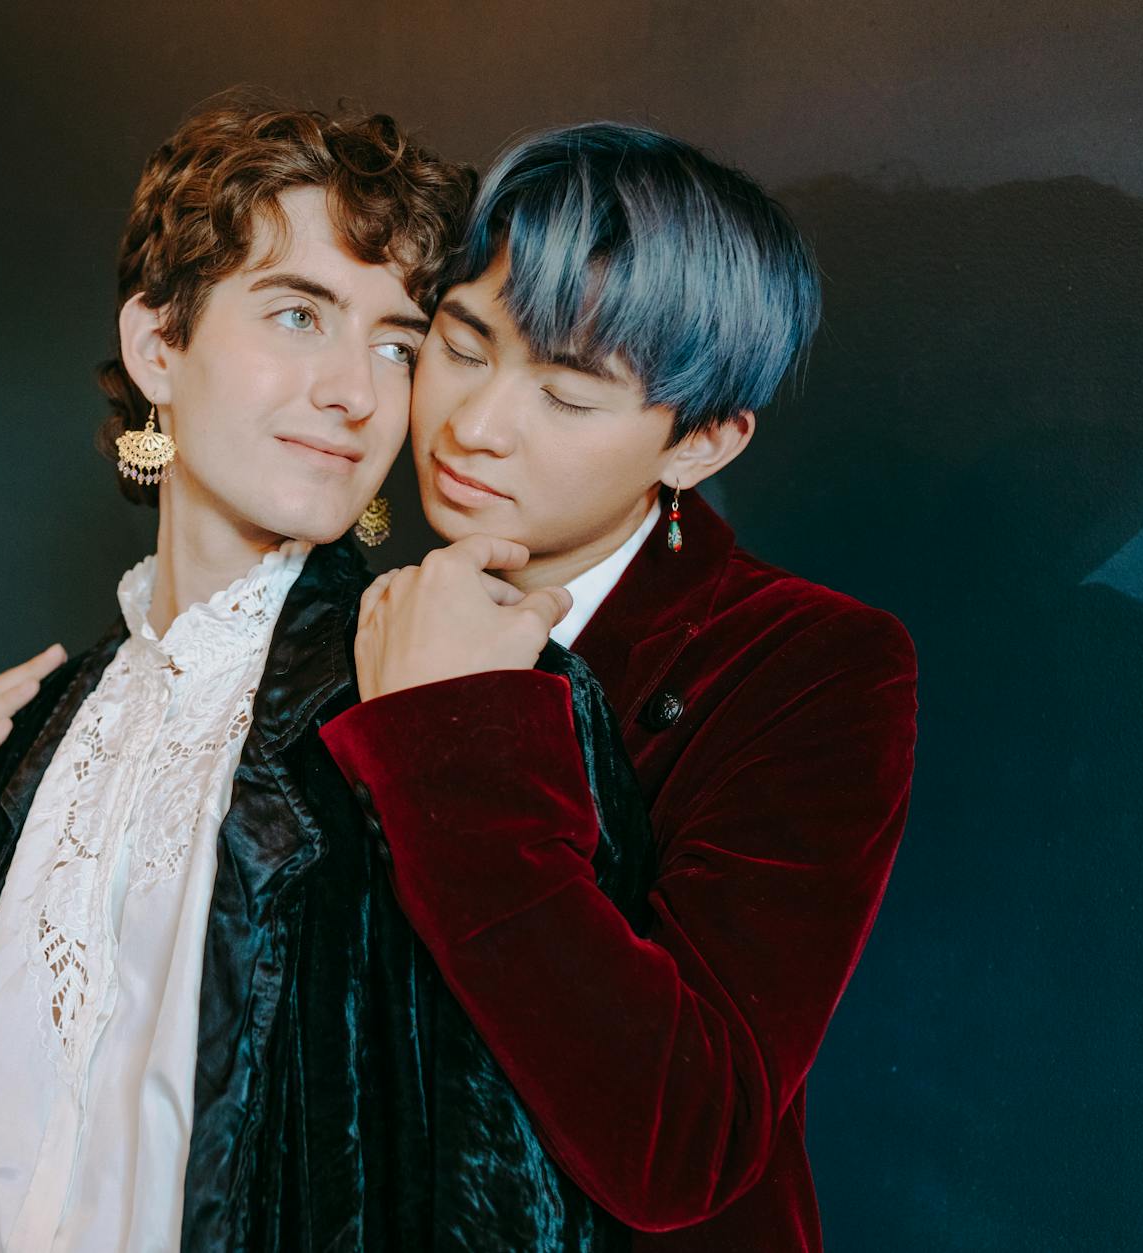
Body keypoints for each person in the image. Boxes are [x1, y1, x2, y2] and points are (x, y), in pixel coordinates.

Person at [0, 97, 519, 1251]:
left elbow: (484, 1191)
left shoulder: (423, 706)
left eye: (395, 341)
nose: (357, 392)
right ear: (160, 345)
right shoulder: (40, 734)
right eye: (298, 314)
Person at [322, 123, 920, 1252]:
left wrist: (452, 733)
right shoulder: (361, 600)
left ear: (696, 443)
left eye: (566, 394)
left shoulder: (806, 664)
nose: (473, 425)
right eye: (460, 344)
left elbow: (677, 1136)